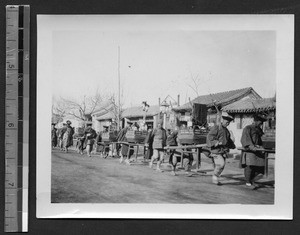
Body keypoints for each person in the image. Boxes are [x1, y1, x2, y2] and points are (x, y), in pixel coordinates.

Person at [206, 112, 236, 185]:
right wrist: (216, 142)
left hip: (223, 150)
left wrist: (232, 145)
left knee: (222, 166)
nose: (227, 123)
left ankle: (216, 177)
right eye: (226, 122)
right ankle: (215, 176)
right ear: (222, 120)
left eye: (229, 122)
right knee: (221, 164)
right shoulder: (216, 128)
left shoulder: (226, 131)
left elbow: (228, 140)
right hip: (216, 150)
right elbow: (209, 136)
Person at [241, 114, 268, 187]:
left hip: (258, 150)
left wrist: (261, 146)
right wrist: (252, 147)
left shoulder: (259, 129)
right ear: (256, 121)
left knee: (261, 168)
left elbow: (261, 139)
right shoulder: (247, 128)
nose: (261, 124)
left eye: (262, 122)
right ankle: (248, 181)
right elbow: (245, 140)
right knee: (250, 166)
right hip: (250, 150)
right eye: (260, 122)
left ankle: (252, 180)